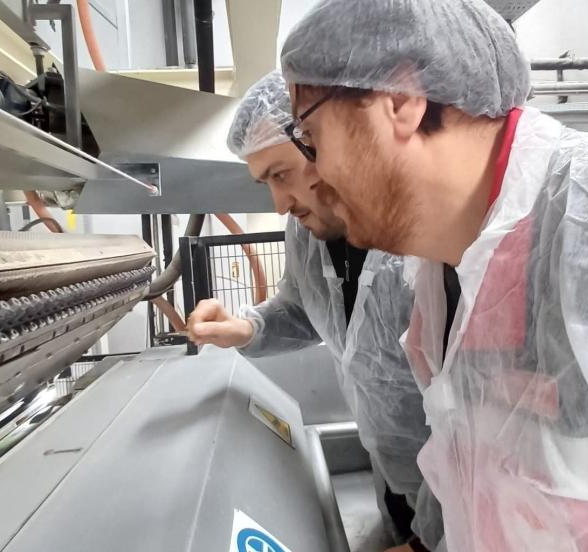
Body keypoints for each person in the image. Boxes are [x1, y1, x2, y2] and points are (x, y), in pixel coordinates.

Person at [279, 1, 588, 551]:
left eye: (310, 135)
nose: (312, 176)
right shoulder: (438, 276)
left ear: (398, 100)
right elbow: (473, 470)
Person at [187, 71, 444, 552]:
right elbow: (305, 309)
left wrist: (432, 543)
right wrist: (245, 328)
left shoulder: (427, 242)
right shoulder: (308, 232)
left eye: (280, 175)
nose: (279, 204)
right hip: (394, 475)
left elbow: (484, 419)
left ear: (321, 143)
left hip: (464, 502)